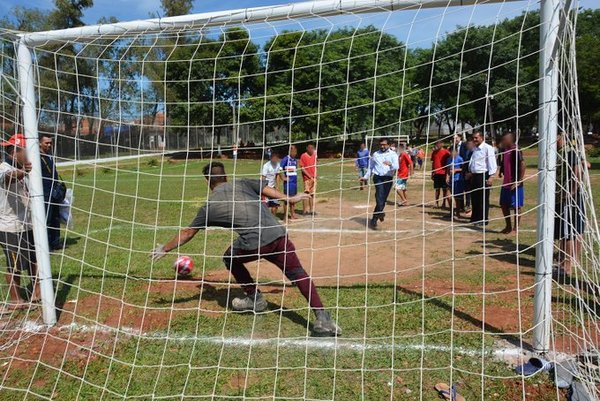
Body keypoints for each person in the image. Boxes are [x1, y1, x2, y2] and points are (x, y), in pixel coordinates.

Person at [150, 162, 340, 336]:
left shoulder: (209, 207)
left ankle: (254, 298)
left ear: (207, 180)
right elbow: (267, 189)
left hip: (255, 243)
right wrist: (289, 198)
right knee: (298, 273)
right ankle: (323, 318)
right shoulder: (242, 183)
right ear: (226, 176)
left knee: (229, 258)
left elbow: (188, 232)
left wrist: (164, 249)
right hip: (278, 234)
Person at [0, 134, 40, 312]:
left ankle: (37, 292)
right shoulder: (4, 168)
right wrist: (24, 171)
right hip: (10, 226)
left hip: (28, 224)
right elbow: (9, 178)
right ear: (15, 152)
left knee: (34, 259)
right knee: (14, 265)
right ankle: (16, 300)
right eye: (26, 150)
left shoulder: (27, 168)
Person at [554, 132, 585, 278]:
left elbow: (578, 171)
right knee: (576, 231)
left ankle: (565, 267)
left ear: (560, 136)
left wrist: (571, 191)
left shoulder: (568, 152)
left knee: (567, 233)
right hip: (570, 198)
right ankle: (572, 261)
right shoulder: (562, 152)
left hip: (569, 198)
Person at [359, 138, 399, 229]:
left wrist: (390, 164)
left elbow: (396, 166)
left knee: (383, 200)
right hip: (378, 178)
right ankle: (378, 215)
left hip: (388, 178)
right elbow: (371, 167)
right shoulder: (375, 154)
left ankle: (376, 217)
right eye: (381, 144)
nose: (382, 146)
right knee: (379, 196)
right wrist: (365, 177)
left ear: (388, 145)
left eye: (384, 144)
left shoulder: (393, 154)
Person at [467, 131, 497, 226]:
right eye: (473, 138)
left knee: (482, 198)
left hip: (483, 175)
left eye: (476, 138)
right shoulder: (475, 149)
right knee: (474, 198)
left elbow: (492, 162)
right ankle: (475, 218)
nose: (474, 139)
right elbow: (474, 162)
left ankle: (483, 219)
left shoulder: (488, 148)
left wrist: (491, 177)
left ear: (482, 138)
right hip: (474, 176)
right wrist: (470, 173)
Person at [39, 133, 63, 251]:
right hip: (44, 192)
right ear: (40, 143)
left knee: (55, 217)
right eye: (46, 143)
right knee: (47, 219)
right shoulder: (37, 157)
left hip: (54, 192)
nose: (49, 145)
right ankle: (46, 245)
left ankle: (55, 242)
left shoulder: (49, 155)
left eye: (50, 143)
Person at [498, 131, 525, 234]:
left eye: (505, 139)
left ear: (510, 140)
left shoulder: (516, 150)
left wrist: (518, 180)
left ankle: (515, 228)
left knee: (516, 206)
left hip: (515, 183)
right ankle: (508, 226)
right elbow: (504, 162)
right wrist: (501, 171)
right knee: (503, 205)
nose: (503, 141)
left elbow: (522, 164)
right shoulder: (505, 150)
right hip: (506, 183)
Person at [280, 145, 299, 221]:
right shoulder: (285, 159)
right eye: (293, 151)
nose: (295, 153)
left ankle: (292, 214)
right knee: (286, 200)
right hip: (288, 184)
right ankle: (285, 216)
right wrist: (283, 178)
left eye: (296, 152)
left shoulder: (295, 160)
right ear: (290, 151)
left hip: (294, 183)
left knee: (293, 199)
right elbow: (279, 170)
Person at [431, 141, 451, 208]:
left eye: (439, 143)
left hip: (443, 173)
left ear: (442, 144)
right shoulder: (434, 152)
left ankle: (444, 203)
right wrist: (432, 172)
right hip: (436, 173)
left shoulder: (446, 152)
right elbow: (433, 162)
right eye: (436, 144)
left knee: (444, 189)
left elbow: (449, 163)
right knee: (437, 189)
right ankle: (436, 203)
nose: (438, 145)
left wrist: (448, 173)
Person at [446, 148, 465, 218]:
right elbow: (448, 169)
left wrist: (456, 170)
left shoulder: (460, 159)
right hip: (451, 180)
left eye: (453, 152)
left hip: (458, 180)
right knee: (448, 195)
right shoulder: (449, 159)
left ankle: (457, 213)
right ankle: (451, 211)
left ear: (456, 152)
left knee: (457, 197)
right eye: (450, 152)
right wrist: (447, 177)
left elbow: (464, 169)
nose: (451, 154)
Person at [299, 144, 317, 216]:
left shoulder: (315, 155)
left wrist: (315, 175)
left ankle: (311, 210)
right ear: (307, 148)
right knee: (306, 194)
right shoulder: (303, 156)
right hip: (307, 178)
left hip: (314, 178)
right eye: (310, 148)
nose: (311, 149)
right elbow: (302, 168)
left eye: (312, 148)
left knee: (312, 194)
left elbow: (316, 166)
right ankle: (305, 210)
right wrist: (309, 176)